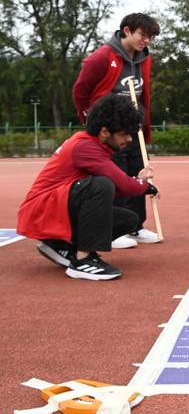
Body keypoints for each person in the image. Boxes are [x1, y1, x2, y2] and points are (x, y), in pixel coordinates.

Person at [17, 94, 159, 281]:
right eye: (124, 133)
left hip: (51, 207)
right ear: (105, 131)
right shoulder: (85, 146)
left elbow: (119, 186)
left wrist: (138, 182)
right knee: (101, 185)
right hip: (41, 211)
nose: (130, 139)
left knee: (128, 219)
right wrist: (145, 186)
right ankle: (83, 260)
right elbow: (121, 185)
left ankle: (60, 245)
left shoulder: (91, 144)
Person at [73, 12, 160, 249]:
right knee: (114, 174)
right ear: (127, 30)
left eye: (151, 37)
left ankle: (136, 225)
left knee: (139, 170)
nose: (147, 41)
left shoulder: (144, 58)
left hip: (134, 127)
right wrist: (89, 118)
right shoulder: (101, 57)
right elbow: (80, 90)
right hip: (109, 131)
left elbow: (144, 92)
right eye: (143, 35)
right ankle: (114, 228)